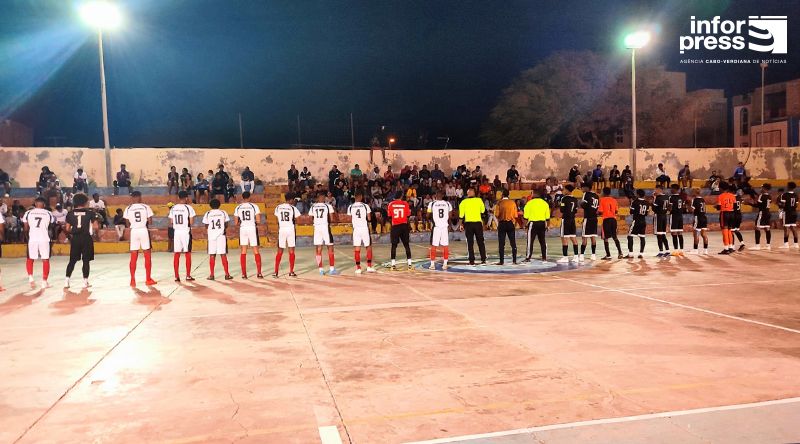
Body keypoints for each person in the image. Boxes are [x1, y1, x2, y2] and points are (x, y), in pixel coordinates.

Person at [64, 193, 100, 289]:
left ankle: (67, 280)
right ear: (85, 202)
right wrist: (96, 235)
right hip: (86, 238)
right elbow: (96, 226)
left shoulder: (70, 213)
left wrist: (71, 235)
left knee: (72, 261)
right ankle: (85, 281)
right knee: (86, 260)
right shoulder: (90, 213)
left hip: (75, 238)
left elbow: (67, 228)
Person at [124, 191, 156, 286]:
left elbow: (127, 223)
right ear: (140, 197)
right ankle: (148, 279)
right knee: (147, 255)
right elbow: (150, 222)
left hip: (134, 231)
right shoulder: (146, 207)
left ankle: (132, 280)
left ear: (132, 198)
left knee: (133, 255)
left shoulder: (128, 208)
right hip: (143, 230)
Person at [22, 197, 54, 288]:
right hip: (44, 239)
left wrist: (27, 238)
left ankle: (30, 278)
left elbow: (25, 228)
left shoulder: (28, 213)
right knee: (45, 259)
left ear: (35, 204)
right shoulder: (48, 213)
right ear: (44, 205)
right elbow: (50, 227)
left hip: (33, 239)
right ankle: (44, 282)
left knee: (30, 258)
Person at [168, 191, 196, 282]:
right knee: (187, 253)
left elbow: (171, 222)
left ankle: (176, 276)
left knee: (177, 254)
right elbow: (191, 222)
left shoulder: (173, 208)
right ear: (186, 198)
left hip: (177, 232)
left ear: (178, 198)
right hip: (185, 232)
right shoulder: (189, 208)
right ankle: (188, 275)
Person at [234, 191, 263, 279]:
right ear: (250, 197)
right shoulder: (254, 206)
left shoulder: (238, 207)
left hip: (243, 228)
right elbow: (258, 220)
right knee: (256, 250)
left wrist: (242, 223)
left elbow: (236, 222)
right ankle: (259, 273)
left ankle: (244, 274)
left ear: (242, 198)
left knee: (243, 251)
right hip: (252, 228)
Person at [202, 198, 233, 280]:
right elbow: (226, 224)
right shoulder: (223, 212)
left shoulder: (208, 213)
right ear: (219, 205)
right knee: (223, 254)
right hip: (221, 236)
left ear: (210, 206)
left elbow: (206, 225)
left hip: (211, 236)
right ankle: (227, 274)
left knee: (212, 255)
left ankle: (212, 275)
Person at [310, 193, 338, 275]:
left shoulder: (313, 206)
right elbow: (332, 218)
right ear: (324, 198)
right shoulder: (328, 206)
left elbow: (312, 218)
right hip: (325, 227)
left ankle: (321, 269)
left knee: (318, 249)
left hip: (317, 228)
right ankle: (332, 269)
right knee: (330, 247)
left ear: (317, 198)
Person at [274, 194, 301, 277]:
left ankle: (276, 272)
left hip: (282, 229)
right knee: (291, 250)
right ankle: (291, 271)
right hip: (290, 229)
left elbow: (276, 219)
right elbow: (298, 220)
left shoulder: (278, 207)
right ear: (291, 200)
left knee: (280, 250)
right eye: (293, 200)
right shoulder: (293, 208)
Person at [347, 192, 375, 274]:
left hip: (356, 229)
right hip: (364, 228)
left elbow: (349, 219)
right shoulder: (365, 206)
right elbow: (369, 218)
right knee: (368, 246)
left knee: (357, 248)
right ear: (361, 197)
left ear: (354, 197)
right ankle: (369, 266)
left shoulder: (350, 206)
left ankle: (358, 268)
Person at [459, 188, 487, 265]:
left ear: (467, 194)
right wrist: (484, 223)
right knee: (480, 242)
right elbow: (483, 211)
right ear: (474, 193)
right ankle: (483, 259)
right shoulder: (479, 200)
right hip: (478, 223)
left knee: (470, 243)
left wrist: (461, 225)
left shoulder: (463, 202)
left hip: (468, 224)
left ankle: (471, 260)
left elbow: (461, 215)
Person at [427, 190, 453, 269]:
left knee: (434, 246)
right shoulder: (447, 204)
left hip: (436, 227)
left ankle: (432, 265)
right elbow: (450, 215)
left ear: (435, 195)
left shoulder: (432, 204)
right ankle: (445, 264)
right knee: (445, 246)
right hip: (444, 226)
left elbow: (428, 215)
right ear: (442, 196)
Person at [388, 191, 413, 270]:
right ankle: (409, 265)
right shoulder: (405, 204)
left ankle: (393, 265)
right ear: (401, 196)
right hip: (404, 226)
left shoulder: (391, 204)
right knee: (406, 245)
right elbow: (408, 215)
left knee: (394, 246)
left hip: (395, 226)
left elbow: (389, 216)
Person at [523, 188, 550, 262]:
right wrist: (547, 226)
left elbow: (525, 217)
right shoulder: (545, 203)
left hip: (533, 224)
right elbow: (548, 217)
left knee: (530, 241)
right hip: (542, 223)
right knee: (542, 241)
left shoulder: (529, 203)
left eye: (532, 193)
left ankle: (528, 257)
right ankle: (544, 257)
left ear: (534, 194)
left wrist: (525, 226)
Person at [494, 189, 518, 265]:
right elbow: (515, 215)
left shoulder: (499, 203)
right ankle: (514, 261)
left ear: (502, 195)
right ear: (508, 195)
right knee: (513, 243)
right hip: (510, 223)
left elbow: (496, 215)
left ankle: (501, 261)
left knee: (501, 243)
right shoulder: (513, 203)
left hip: (502, 224)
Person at [557, 184, 579, 263]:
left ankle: (565, 257)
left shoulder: (564, 198)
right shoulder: (575, 199)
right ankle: (576, 256)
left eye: (564, 189)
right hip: (572, 219)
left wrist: (560, 205)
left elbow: (562, 210)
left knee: (564, 238)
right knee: (573, 237)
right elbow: (576, 210)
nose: (563, 191)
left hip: (566, 219)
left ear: (567, 190)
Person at [599, 187, 623, 260]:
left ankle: (608, 255)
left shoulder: (602, 200)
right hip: (613, 220)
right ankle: (620, 253)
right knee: (615, 236)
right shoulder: (614, 200)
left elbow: (600, 211)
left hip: (606, 220)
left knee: (605, 238)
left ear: (603, 192)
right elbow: (616, 211)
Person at [579, 183, 600, 261]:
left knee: (584, 237)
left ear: (587, 188)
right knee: (593, 237)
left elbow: (583, 205)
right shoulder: (597, 196)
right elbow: (597, 208)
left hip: (587, 218)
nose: (582, 189)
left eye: (583, 187)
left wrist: (581, 204)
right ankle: (593, 255)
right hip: (594, 218)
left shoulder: (586, 194)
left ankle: (581, 255)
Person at [627, 189, 649, 259]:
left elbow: (631, 212)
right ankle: (641, 253)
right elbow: (646, 213)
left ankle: (630, 254)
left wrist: (631, 204)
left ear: (638, 194)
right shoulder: (646, 202)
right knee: (642, 237)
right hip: (643, 221)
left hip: (636, 221)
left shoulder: (635, 202)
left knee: (630, 236)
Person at [716, 182, 737, 254]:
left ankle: (726, 248)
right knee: (729, 230)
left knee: (724, 231)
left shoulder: (720, 196)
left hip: (724, 213)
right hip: (732, 213)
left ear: (721, 188)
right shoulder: (732, 196)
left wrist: (716, 206)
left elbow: (719, 207)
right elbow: (735, 206)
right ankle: (731, 247)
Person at [750, 183, 772, 250]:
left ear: (764, 188)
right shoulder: (769, 196)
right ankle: (768, 245)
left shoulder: (762, 196)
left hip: (762, 213)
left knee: (757, 228)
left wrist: (749, 203)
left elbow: (758, 205)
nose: (760, 189)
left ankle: (757, 246)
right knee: (767, 229)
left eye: (761, 188)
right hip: (768, 213)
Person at [652, 185, 671, 257]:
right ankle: (667, 250)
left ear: (659, 189)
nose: (654, 190)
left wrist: (654, 198)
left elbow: (654, 208)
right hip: (664, 216)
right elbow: (669, 207)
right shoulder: (667, 197)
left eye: (655, 189)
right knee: (663, 234)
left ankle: (661, 251)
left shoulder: (658, 198)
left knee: (659, 235)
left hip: (658, 216)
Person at [778, 181, 798, 249]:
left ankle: (786, 244)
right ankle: (796, 244)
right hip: (794, 213)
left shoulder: (784, 195)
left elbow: (783, 205)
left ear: (788, 186)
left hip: (787, 213)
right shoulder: (796, 195)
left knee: (786, 228)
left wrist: (779, 204)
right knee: (794, 228)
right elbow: (796, 205)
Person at [668, 184, 686, 256]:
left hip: (674, 216)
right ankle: (681, 250)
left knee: (674, 233)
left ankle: (675, 250)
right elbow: (683, 206)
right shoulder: (681, 197)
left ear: (675, 189)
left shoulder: (671, 197)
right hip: (680, 216)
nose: (670, 190)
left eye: (671, 188)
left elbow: (670, 208)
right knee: (680, 233)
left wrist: (666, 208)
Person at [690, 188, 709, 255]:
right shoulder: (703, 200)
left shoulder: (694, 200)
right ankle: (705, 250)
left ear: (695, 193)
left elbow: (692, 210)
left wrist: (688, 206)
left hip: (697, 218)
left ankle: (695, 250)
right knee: (704, 234)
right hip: (704, 217)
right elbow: (705, 210)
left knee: (696, 234)